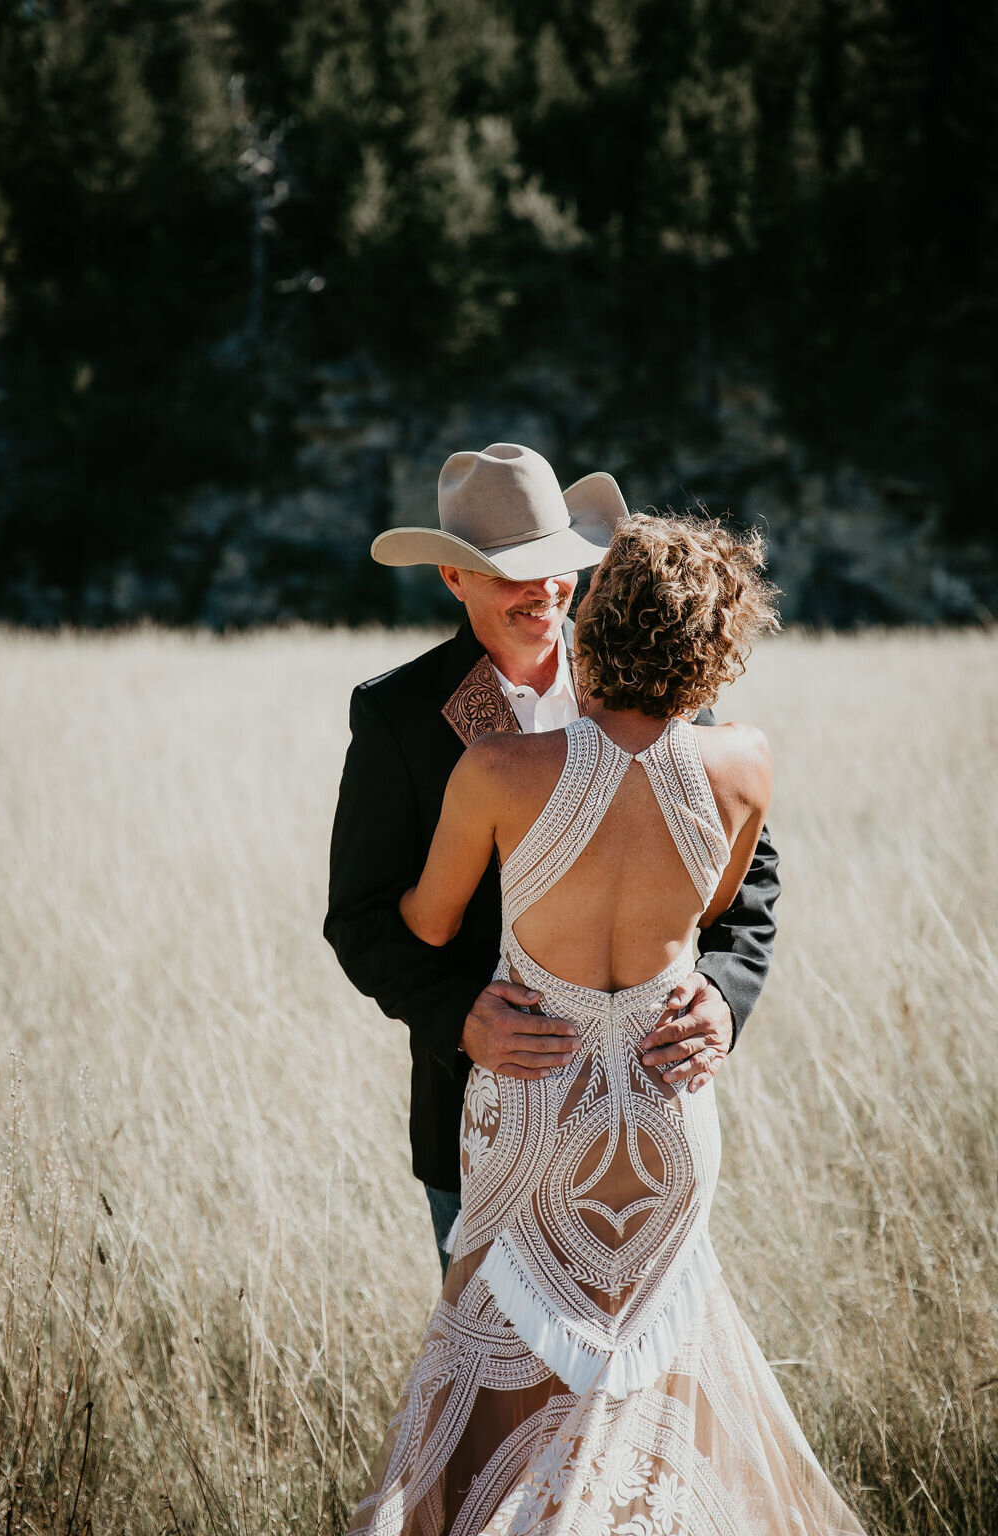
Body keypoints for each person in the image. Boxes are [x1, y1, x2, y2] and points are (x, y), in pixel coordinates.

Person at [345, 510, 866, 1536]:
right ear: (717, 642)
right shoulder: (743, 761)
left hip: (538, 1108)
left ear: (597, 620)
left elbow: (422, 919)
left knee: (500, 1423)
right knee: (649, 1411)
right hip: (668, 1117)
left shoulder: (495, 775)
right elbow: (709, 903)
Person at [324, 444, 781, 1281]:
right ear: (453, 580)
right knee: (497, 1394)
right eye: (513, 574)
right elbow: (357, 918)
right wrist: (459, 1014)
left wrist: (724, 993)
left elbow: (748, 885)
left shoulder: (663, 674)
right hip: (481, 1113)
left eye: (560, 567)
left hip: (652, 1117)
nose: (546, 592)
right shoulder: (397, 716)